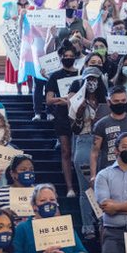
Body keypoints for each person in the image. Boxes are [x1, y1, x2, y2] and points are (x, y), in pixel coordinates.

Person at [70, 68, 109, 237]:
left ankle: (103, 221)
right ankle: (88, 226)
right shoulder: (77, 101)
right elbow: (74, 129)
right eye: (89, 79)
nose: (92, 83)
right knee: (87, 187)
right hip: (84, 141)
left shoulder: (106, 103)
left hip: (103, 144)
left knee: (103, 186)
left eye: (95, 79)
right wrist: (79, 114)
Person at [44, 42, 83, 198]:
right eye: (65, 56)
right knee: (66, 151)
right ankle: (69, 187)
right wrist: (66, 100)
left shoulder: (81, 74)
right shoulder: (55, 76)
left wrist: (70, 100)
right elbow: (49, 100)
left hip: (79, 116)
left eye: (71, 56)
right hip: (62, 117)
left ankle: (81, 184)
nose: (68, 58)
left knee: (79, 152)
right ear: (60, 57)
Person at [89, 87, 127, 183]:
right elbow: (94, 152)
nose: (120, 103)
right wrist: (93, 176)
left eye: (123, 100)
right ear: (109, 102)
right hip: (108, 173)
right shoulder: (101, 124)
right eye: (116, 101)